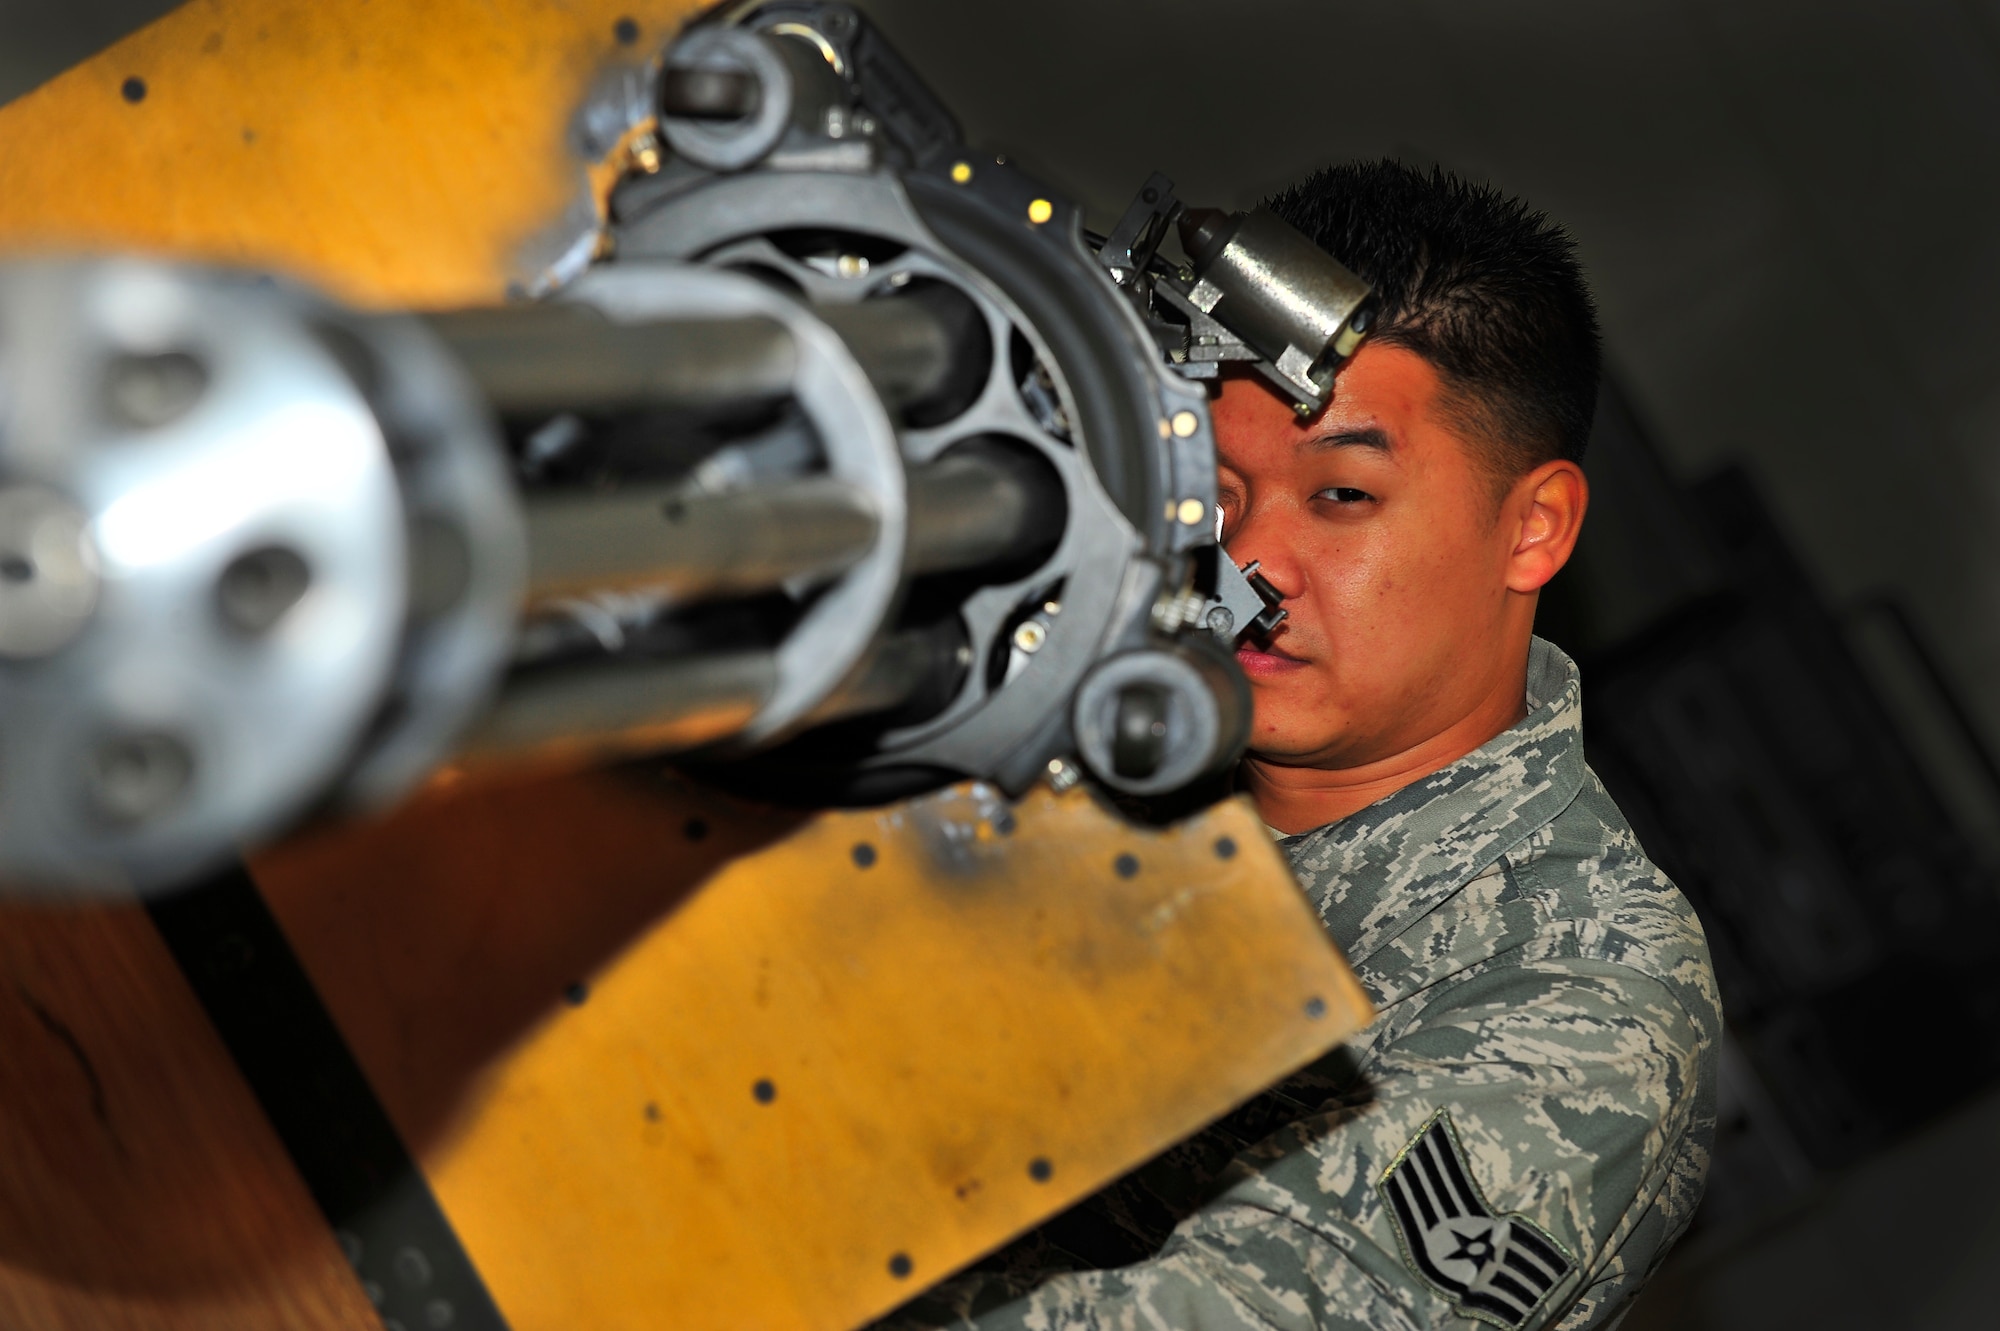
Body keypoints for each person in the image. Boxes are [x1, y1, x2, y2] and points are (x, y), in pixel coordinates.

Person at [882, 161, 1722, 1330]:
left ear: (1531, 528)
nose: (1249, 562)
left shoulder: (1585, 987)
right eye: (1216, 494)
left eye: (1339, 496)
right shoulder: (1072, 720)